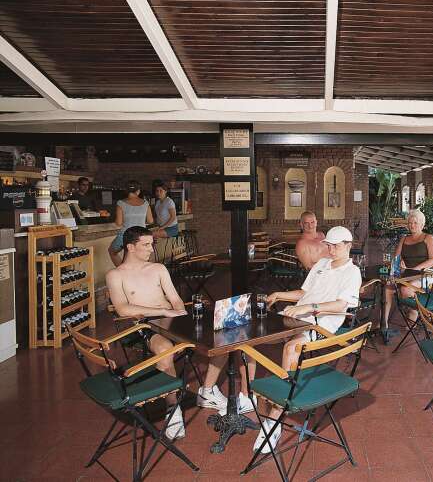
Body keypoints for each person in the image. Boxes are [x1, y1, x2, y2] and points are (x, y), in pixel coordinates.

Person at [106, 226, 255, 440]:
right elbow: (122, 309)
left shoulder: (158, 268)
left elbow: (175, 299)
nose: (151, 249)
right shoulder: (115, 275)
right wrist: (163, 311)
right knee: (165, 350)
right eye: (146, 245)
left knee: (224, 337)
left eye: (151, 244)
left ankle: (207, 391)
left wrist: (180, 313)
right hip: (145, 325)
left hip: (174, 319)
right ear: (130, 247)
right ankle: (173, 407)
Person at [252, 226, 362, 454]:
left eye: (335, 246)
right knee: (252, 337)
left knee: (291, 348)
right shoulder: (321, 264)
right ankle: (246, 395)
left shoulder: (352, 272)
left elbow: (341, 305)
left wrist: (309, 308)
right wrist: (279, 295)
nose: (331, 250)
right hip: (299, 315)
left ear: (348, 246)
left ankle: (276, 415)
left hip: (322, 322)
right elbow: (304, 292)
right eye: (328, 245)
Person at [382, 209, 433, 338]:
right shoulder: (404, 239)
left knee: (406, 289)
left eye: (415, 223)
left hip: (426, 273)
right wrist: (400, 262)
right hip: (407, 274)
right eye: (410, 223)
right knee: (388, 288)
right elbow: (396, 257)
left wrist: (416, 269)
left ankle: (414, 312)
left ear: (422, 224)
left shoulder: (428, 238)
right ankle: (384, 323)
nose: (412, 225)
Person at [109, 181, 154, 267]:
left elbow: (118, 223)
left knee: (112, 251)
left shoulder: (121, 203)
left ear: (126, 191)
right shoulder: (145, 203)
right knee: (143, 259)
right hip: (141, 237)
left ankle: (123, 271)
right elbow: (150, 221)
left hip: (125, 236)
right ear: (138, 191)